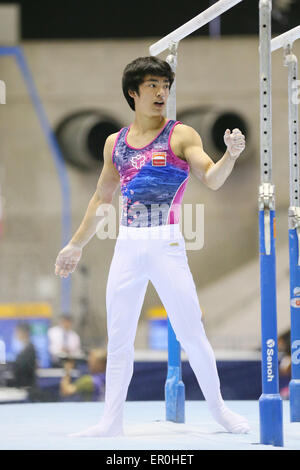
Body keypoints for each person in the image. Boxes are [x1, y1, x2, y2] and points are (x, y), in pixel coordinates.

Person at [55, 56, 250, 437]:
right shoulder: (115, 143)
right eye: (153, 86)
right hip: (126, 244)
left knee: (191, 331)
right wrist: (75, 245)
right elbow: (100, 200)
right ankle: (111, 421)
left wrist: (230, 155)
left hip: (167, 243)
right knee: (119, 338)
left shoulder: (181, 134)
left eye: (165, 86)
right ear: (133, 92)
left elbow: (211, 178)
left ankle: (220, 410)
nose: (162, 93)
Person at [11, 323, 37, 389]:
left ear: (25, 333)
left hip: (26, 385)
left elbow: (23, 368)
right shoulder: (24, 347)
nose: (16, 334)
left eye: (17, 332)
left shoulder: (30, 349)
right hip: (22, 385)